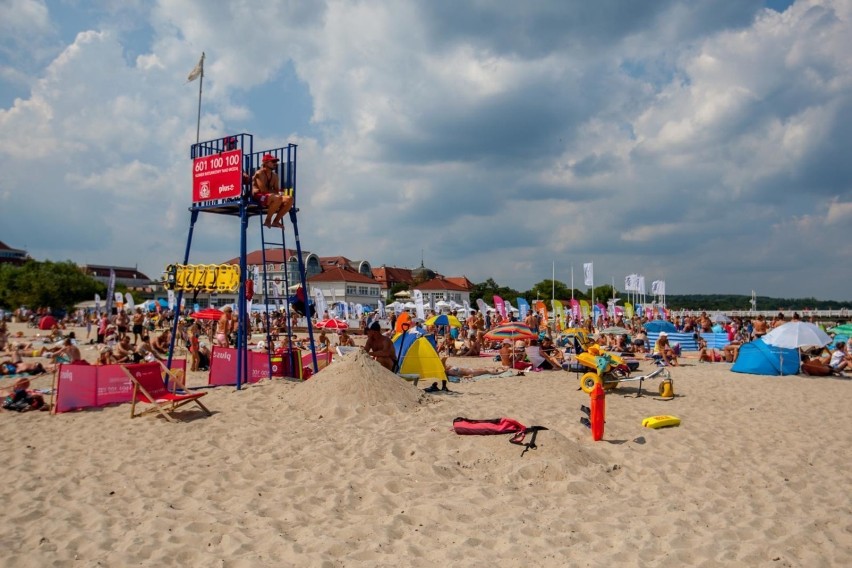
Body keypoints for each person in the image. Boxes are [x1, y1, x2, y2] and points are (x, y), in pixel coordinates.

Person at [252, 154, 293, 228]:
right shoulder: (259, 173)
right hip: (258, 196)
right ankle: (268, 220)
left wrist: (275, 192)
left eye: (276, 161)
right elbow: (263, 190)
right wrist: (274, 192)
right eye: (273, 161)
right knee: (277, 198)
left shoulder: (275, 176)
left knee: (290, 199)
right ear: (265, 163)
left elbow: (276, 191)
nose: (275, 163)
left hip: (270, 196)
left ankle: (276, 221)